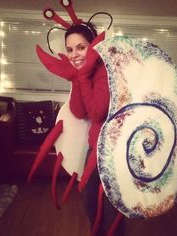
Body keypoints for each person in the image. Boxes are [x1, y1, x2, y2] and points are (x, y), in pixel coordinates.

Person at [64, 23, 125, 236]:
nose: (74, 54)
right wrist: (77, 79)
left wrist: (83, 77)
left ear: (93, 47)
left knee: (111, 214)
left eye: (80, 47)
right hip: (95, 148)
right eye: (69, 49)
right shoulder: (85, 73)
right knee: (90, 206)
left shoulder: (104, 72)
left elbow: (98, 113)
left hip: (114, 151)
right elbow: (79, 111)